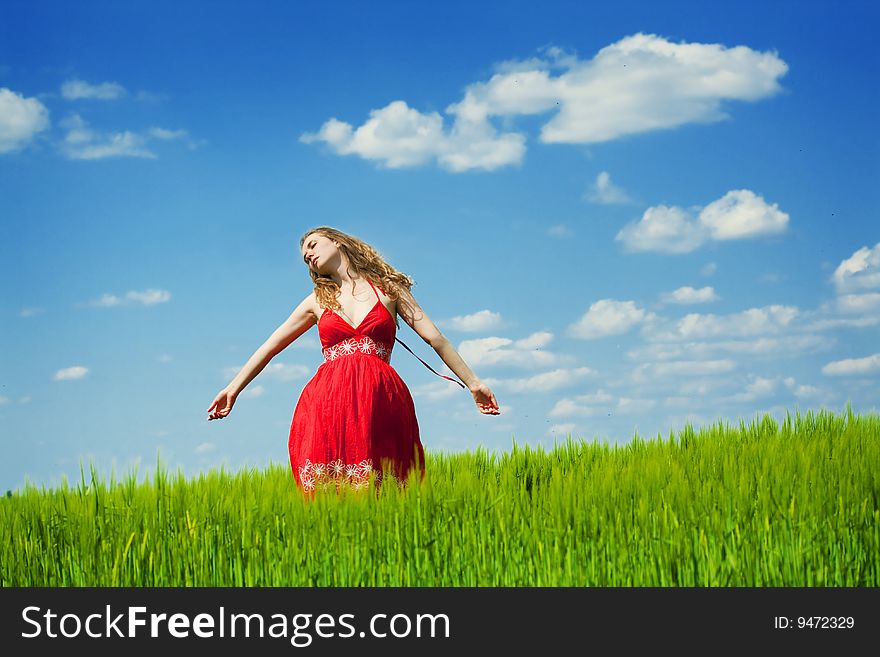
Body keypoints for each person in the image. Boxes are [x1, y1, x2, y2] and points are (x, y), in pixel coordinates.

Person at [207, 226, 500, 492]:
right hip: (328, 400)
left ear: (337, 242)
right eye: (304, 255)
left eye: (312, 245)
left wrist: (474, 383)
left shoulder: (389, 289)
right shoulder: (316, 301)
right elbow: (269, 347)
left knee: (386, 488)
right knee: (329, 494)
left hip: (381, 397)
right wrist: (233, 389)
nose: (307, 255)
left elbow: (435, 338)